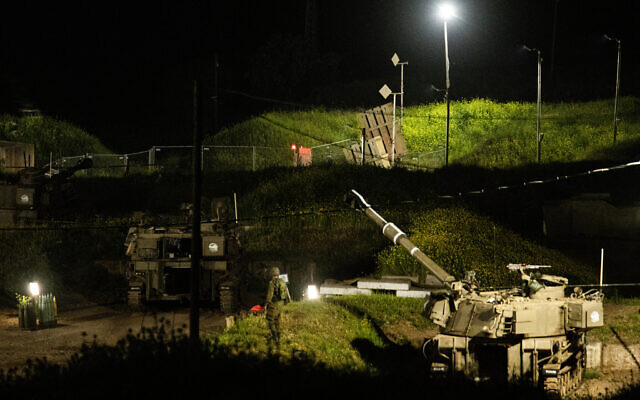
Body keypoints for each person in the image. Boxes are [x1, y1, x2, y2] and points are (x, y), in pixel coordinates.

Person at [264, 266, 291, 347]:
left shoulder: (272, 283)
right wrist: (287, 301)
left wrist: (266, 304)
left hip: (274, 304)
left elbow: (270, 295)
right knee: (277, 319)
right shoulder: (282, 281)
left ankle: (275, 337)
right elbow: (287, 293)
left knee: (270, 320)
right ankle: (279, 336)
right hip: (281, 303)